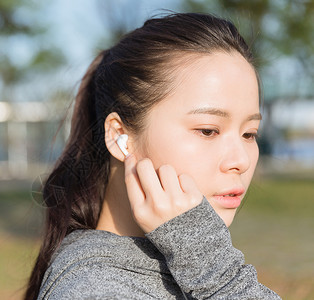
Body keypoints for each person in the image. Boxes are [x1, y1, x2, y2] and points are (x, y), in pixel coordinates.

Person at [25, 12, 282, 300]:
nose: (241, 160)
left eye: (249, 133)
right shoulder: (95, 290)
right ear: (120, 136)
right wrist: (217, 274)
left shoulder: (185, 266)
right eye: (208, 130)